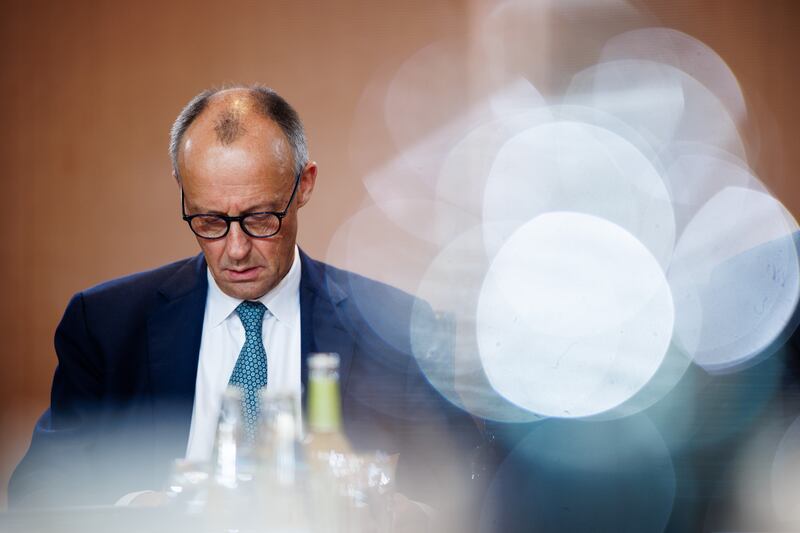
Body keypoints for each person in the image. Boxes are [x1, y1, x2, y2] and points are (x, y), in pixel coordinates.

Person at [9, 85, 483, 526]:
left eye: (261, 218)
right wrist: (139, 512)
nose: (235, 249)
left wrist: (412, 515)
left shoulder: (394, 328)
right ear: (182, 190)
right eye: (209, 220)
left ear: (304, 186)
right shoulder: (108, 326)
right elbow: (37, 491)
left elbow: (479, 486)